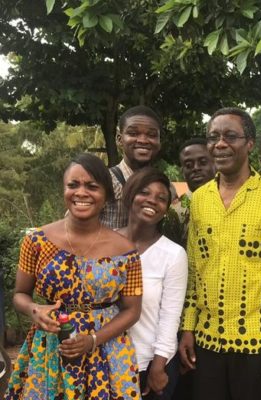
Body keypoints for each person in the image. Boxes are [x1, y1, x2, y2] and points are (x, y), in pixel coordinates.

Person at [177, 108, 261, 399]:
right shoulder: (200, 199)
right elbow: (195, 272)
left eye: (230, 136)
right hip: (207, 341)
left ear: (249, 144)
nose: (220, 144)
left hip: (260, 344)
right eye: (213, 137)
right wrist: (188, 328)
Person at [5, 153, 143, 399]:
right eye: (73, 185)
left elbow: (132, 310)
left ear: (106, 195)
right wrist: (34, 309)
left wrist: (92, 340)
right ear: (64, 189)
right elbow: (20, 294)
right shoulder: (36, 241)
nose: (81, 193)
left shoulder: (125, 250)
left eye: (92, 186)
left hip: (107, 350)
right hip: (52, 346)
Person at [119, 167, 188, 399]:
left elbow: (170, 317)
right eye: (144, 192)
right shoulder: (105, 243)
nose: (152, 201)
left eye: (161, 198)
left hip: (148, 364)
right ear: (130, 195)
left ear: (166, 209)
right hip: (106, 360)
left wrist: (158, 366)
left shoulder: (173, 255)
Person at [101, 105, 162, 229]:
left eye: (151, 135)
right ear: (119, 139)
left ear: (159, 141)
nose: (143, 140)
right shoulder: (104, 181)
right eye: (133, 133)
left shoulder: (163, 187)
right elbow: (72, 228)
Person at [165, 137, 216, 247]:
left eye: (203, 162)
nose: (196, 168)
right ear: (183, 172)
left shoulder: (233, 201)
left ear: (215, 164)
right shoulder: (175, 211)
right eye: (189, 165)